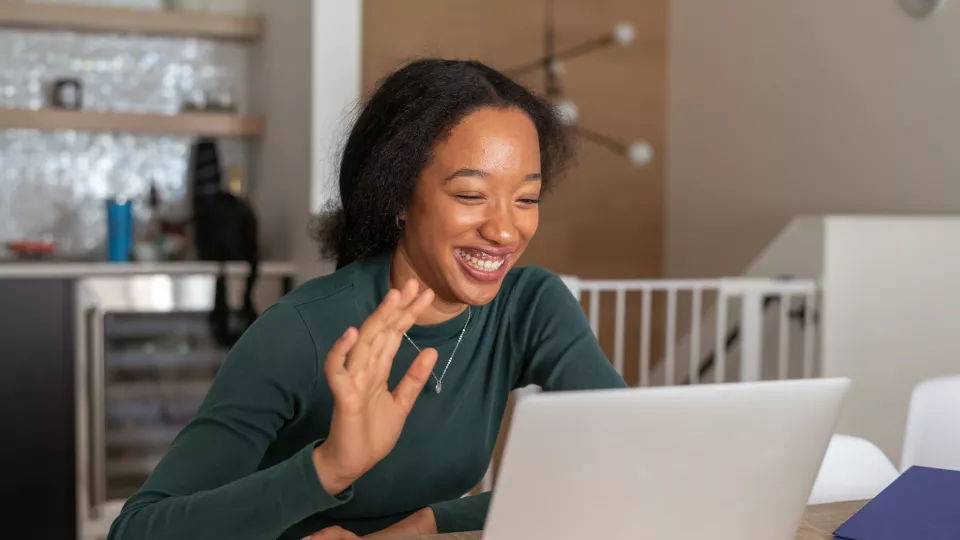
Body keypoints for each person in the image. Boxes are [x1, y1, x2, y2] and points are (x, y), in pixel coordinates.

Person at [108, 58, 625, 540]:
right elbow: (137, 529)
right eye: (471, 195)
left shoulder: (530, 306)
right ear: (399, 195)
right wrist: (328, 467)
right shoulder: (300, 332)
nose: (505, 230)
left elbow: (627, 460)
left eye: (526, 199)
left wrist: (423, 525)